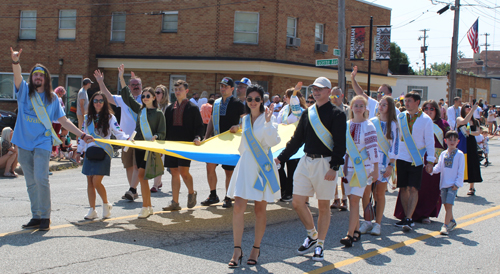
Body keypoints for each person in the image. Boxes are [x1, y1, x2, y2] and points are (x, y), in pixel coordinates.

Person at [10, 48, 94, 231]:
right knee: (30, 181)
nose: (38, 78)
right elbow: (17, 77)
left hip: (42, 142)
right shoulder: (24, 91)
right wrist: (16, 62)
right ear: (31, 78)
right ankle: (36, 215)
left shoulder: (53, 98)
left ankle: (45, 217)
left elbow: (63, 121)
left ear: (46, 79)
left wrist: (82, 135)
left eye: (41, 75)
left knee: (41, 178)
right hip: (23, 142)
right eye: (35, 75)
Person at [275, 76, 346, 261]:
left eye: (320, 89)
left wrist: (335, 166)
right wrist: (281, 158)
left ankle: (320, 245)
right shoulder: (308, 113)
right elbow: (296, 141)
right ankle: (312, 235)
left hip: (326, 163)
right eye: (314, 88)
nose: (316, 91)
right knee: (297, 202)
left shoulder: (337, 114)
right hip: (306, 161)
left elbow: (340, 144)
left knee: (323, 206)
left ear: (329, 92)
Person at [227, 85, 279, 267]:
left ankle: (255, 249)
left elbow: (273, 141)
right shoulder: (245, 119)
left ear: (262, 101)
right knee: (238, 207)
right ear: (246, 101)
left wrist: (267, 122)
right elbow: (243, 146)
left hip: (261, 168)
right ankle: (236, 250)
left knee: (259, 209)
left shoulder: (269, 119)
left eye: (257, 99)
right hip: (246, 165)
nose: (253, 102)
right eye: (250, 99)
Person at [118, 64, 166, 218]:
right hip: (139, 146)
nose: (145, 98)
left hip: (150, 148)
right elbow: (127, 97)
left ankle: (146, 206)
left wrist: (156, 137)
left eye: (148, 96)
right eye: (143, 96)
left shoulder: (158, 113)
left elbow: (162, 132)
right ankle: (148, 206)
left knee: (143, 176)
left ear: (154, 97)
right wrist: (121, 77)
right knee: (141, 176)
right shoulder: (140, 110)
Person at [394, 100, 449, 225]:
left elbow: (449, 140)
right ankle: (409, 214)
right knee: (413, 187)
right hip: (417, 157)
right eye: (426, 109)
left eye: (432, 109)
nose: (428, 111)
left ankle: (426, 214)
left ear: (437, 110)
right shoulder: (415, 120)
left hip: (434, 160)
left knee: (430, 189)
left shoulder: (443, 124)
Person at [76, 92, 129, 220]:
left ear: (104, 103)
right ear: (92, 103)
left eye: (100, 101)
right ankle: (92, 209)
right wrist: (78, 151)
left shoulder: (110, 117)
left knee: (96, 181)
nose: (98, 103)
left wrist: (127, 140)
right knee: (89, 181)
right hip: (90, 152)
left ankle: (106, 204)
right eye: (95, 101)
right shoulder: (87, 117)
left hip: (103, 152)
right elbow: (83, 136)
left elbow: (118, 131)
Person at [94, 69, 141, 201]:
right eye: (133, 84)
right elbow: (108, 97)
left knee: (137, 165)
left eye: (138, 84)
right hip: (125, 138)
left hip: (140, 139)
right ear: (129, 87)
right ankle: (133, 189)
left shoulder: (146, 99)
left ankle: (132, 189)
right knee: (128, 165)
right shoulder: (122, 99)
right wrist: (101, 82)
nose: (136, 87)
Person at [340, 95, 379, 247]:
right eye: (355, 105)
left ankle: (349, 235)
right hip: (347, 167)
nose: (357, 108)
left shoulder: (369, 126)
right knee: (351, 200)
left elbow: (373, 149)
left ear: (365, 109)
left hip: (362, 169)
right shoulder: (347, 124)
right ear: (351, 107)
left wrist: (375, 169)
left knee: (355, 200)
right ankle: (356, 231)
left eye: (360, 105)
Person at [394, 91, 435, 231]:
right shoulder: (400, 117)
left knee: (413, 188)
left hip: (416, 158)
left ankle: (410, 218)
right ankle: (406, 217)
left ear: (417, 102)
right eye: (405, 101)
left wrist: (430, 161)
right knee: (403, 188)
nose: (406, 103)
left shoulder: (426, 120)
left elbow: (430, 141)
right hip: (401, 157)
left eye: (409, 101)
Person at [202, 77, 245, 208]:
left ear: (232, 89)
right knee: (209, 165)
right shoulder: (216, 102)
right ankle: (213, 195)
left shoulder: (238, 103)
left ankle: (228, 196)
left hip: (230, 143)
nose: (223, 88)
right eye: (221, 86)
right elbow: (211, 121)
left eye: (226, 86)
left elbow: (246, 121)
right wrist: (206, 137)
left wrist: (238, 126)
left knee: (228, 171)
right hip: (216, 140)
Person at [359, 95, 399, 236]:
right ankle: (367, 221)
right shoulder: (372, 122)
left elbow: (395, 146)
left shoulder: (393, 124)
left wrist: (391, 165)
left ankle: (378, 224)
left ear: (390, 108)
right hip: (369, 162)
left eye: (384, 105)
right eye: (380, 104)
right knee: (366, 192)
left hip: (384, 163)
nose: (380, 107)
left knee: (379, 194)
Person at [161, 80, 204, 211]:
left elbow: (199, 126)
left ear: (186, 91)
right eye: (176, 89)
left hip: (186, 145)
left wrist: (197, 137)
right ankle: (175, 202)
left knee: (184, 172)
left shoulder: (193, 107)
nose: (177, 91)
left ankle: (191, 193)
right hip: (171, 144)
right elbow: (165, 128)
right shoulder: (169, 109)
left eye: (180, 89)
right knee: (174, 171)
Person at [430, 131, 465, 235]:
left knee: (449, 204)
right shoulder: (443, 154)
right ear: (445, 141)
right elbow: (439, 167)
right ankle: (452, 221)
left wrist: (457, 184)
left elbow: (461, 170)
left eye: (454, 140)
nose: (452, 142)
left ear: (458, 142)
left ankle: (445, 226)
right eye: (450, 139)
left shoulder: (460, 155)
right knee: (446, 205)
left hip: (453, 185)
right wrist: (431, 170)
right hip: (443, 183)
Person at [276, 84, 306, 202]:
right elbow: (278, 121)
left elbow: (296, 109)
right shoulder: (284, 109)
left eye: (287, 96)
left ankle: (289, 192)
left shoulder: (300, 111)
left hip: (294, 143)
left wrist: (294, 94)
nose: (284, 98)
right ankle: (283, 189)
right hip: (282, 141)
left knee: (291, 167)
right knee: (279, 166)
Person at [329, 86, 350, 211]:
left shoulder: (348, 110)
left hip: (346, 146)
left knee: (344, 175)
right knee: (333, 172)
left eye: (337, 96)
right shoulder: (329, 110)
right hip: (332, 145)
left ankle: (344, 199)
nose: (334, 98)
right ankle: (335, 198)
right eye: (332, 96)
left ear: (342, 96)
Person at [456, 101, 482, 196]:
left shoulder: (475, 121)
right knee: (460, 165)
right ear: (462, 109)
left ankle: (472, 187)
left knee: (472, 164)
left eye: (470, 106)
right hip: (462, 144)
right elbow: (464, 122)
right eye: (467, 106)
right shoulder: (459, 118)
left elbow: (478, 132)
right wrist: (473, 110)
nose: (469, 108)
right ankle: (456, 188)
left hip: (471, 144)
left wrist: (470, 133)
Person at [150, 84, 170, 193]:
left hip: (163, 138)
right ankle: (158, 182)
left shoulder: (168, 108)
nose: (155, 95)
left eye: (158, 93)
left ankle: (155, 185)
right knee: (154, 160)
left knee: (159, 161)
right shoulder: (152, 107)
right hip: (152, 137)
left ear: (164, 94)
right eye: (155, 93)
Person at [51, 86, 66, 158]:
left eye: (62, 94)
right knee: (52, 135)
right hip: (53, 120)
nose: (61, 95)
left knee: (56, 135)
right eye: (60, 94)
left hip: (59, 120)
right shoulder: (53, 98)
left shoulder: (60, 99)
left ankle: (54, 150)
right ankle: (51, 150)